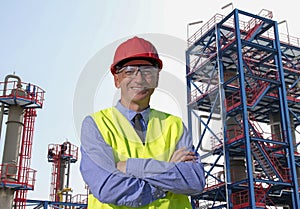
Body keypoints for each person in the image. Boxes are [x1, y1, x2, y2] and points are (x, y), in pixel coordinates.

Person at [80, 36, 205, 209]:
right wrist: (168, 178)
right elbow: (108, 187)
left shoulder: (174, 125)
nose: (139, 79)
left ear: (156, 78)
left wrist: (132, 167)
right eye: (129, 71)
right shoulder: (96, 125)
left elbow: (195, 180)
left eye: (147, 71)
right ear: (117, 80)